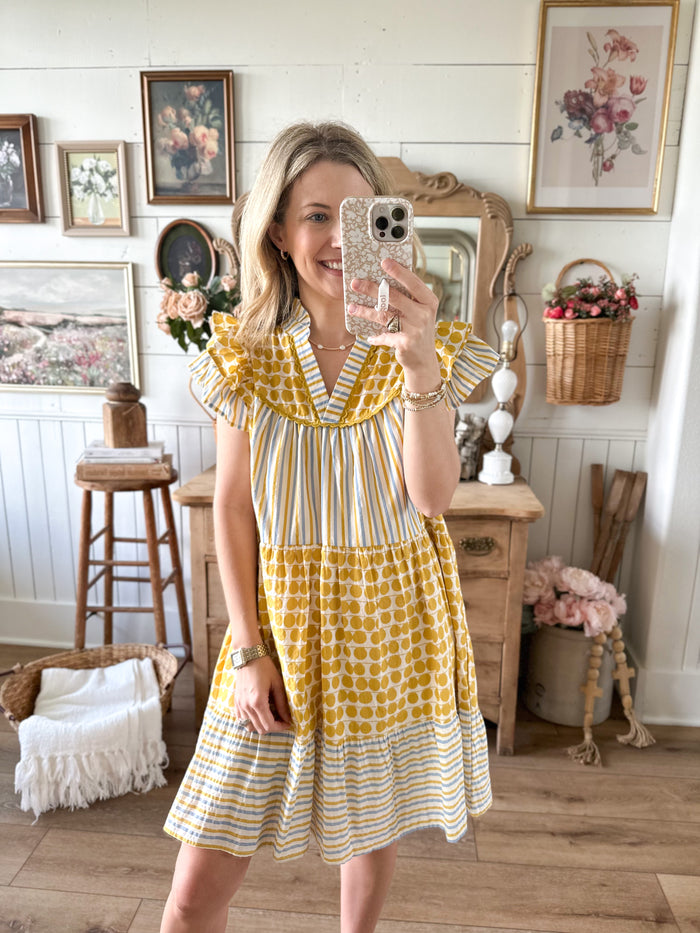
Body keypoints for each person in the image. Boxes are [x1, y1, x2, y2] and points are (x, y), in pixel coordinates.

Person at [160, 121, 499, 933]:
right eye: (317, 216)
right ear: (276, 229)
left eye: (359, 214)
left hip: (389, 626)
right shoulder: (246, 355)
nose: (339, 238)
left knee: (370, 827)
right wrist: (246, 650)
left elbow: (432, 498)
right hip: (277, 627)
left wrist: (419, 363)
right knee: (194, 886)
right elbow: (233, 506)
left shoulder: (424, 346)